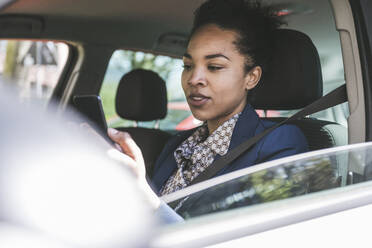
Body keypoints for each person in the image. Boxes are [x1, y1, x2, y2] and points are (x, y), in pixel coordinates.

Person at [108, 0, 308, 218]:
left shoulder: (280, 143)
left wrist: (148, 201)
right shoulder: (177, 144)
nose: (194, 79)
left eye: (214, 67)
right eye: (188, 65)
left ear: (251, 77)